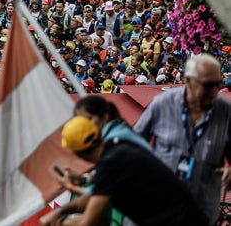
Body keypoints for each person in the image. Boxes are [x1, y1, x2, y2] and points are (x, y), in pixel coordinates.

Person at [40, 116, 207, 226]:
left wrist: (58, 221)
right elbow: (94, 195)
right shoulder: (116, 148)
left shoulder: (113, 160)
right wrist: (61, 211)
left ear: (78, 152)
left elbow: (88, 219)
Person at [134, 53, 231, 224]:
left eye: (218, 84)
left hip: (200, 211)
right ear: (188, 81)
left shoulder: (226, 112)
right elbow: (134, 143)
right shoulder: (162, 104)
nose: (215, 91)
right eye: (208, 85)